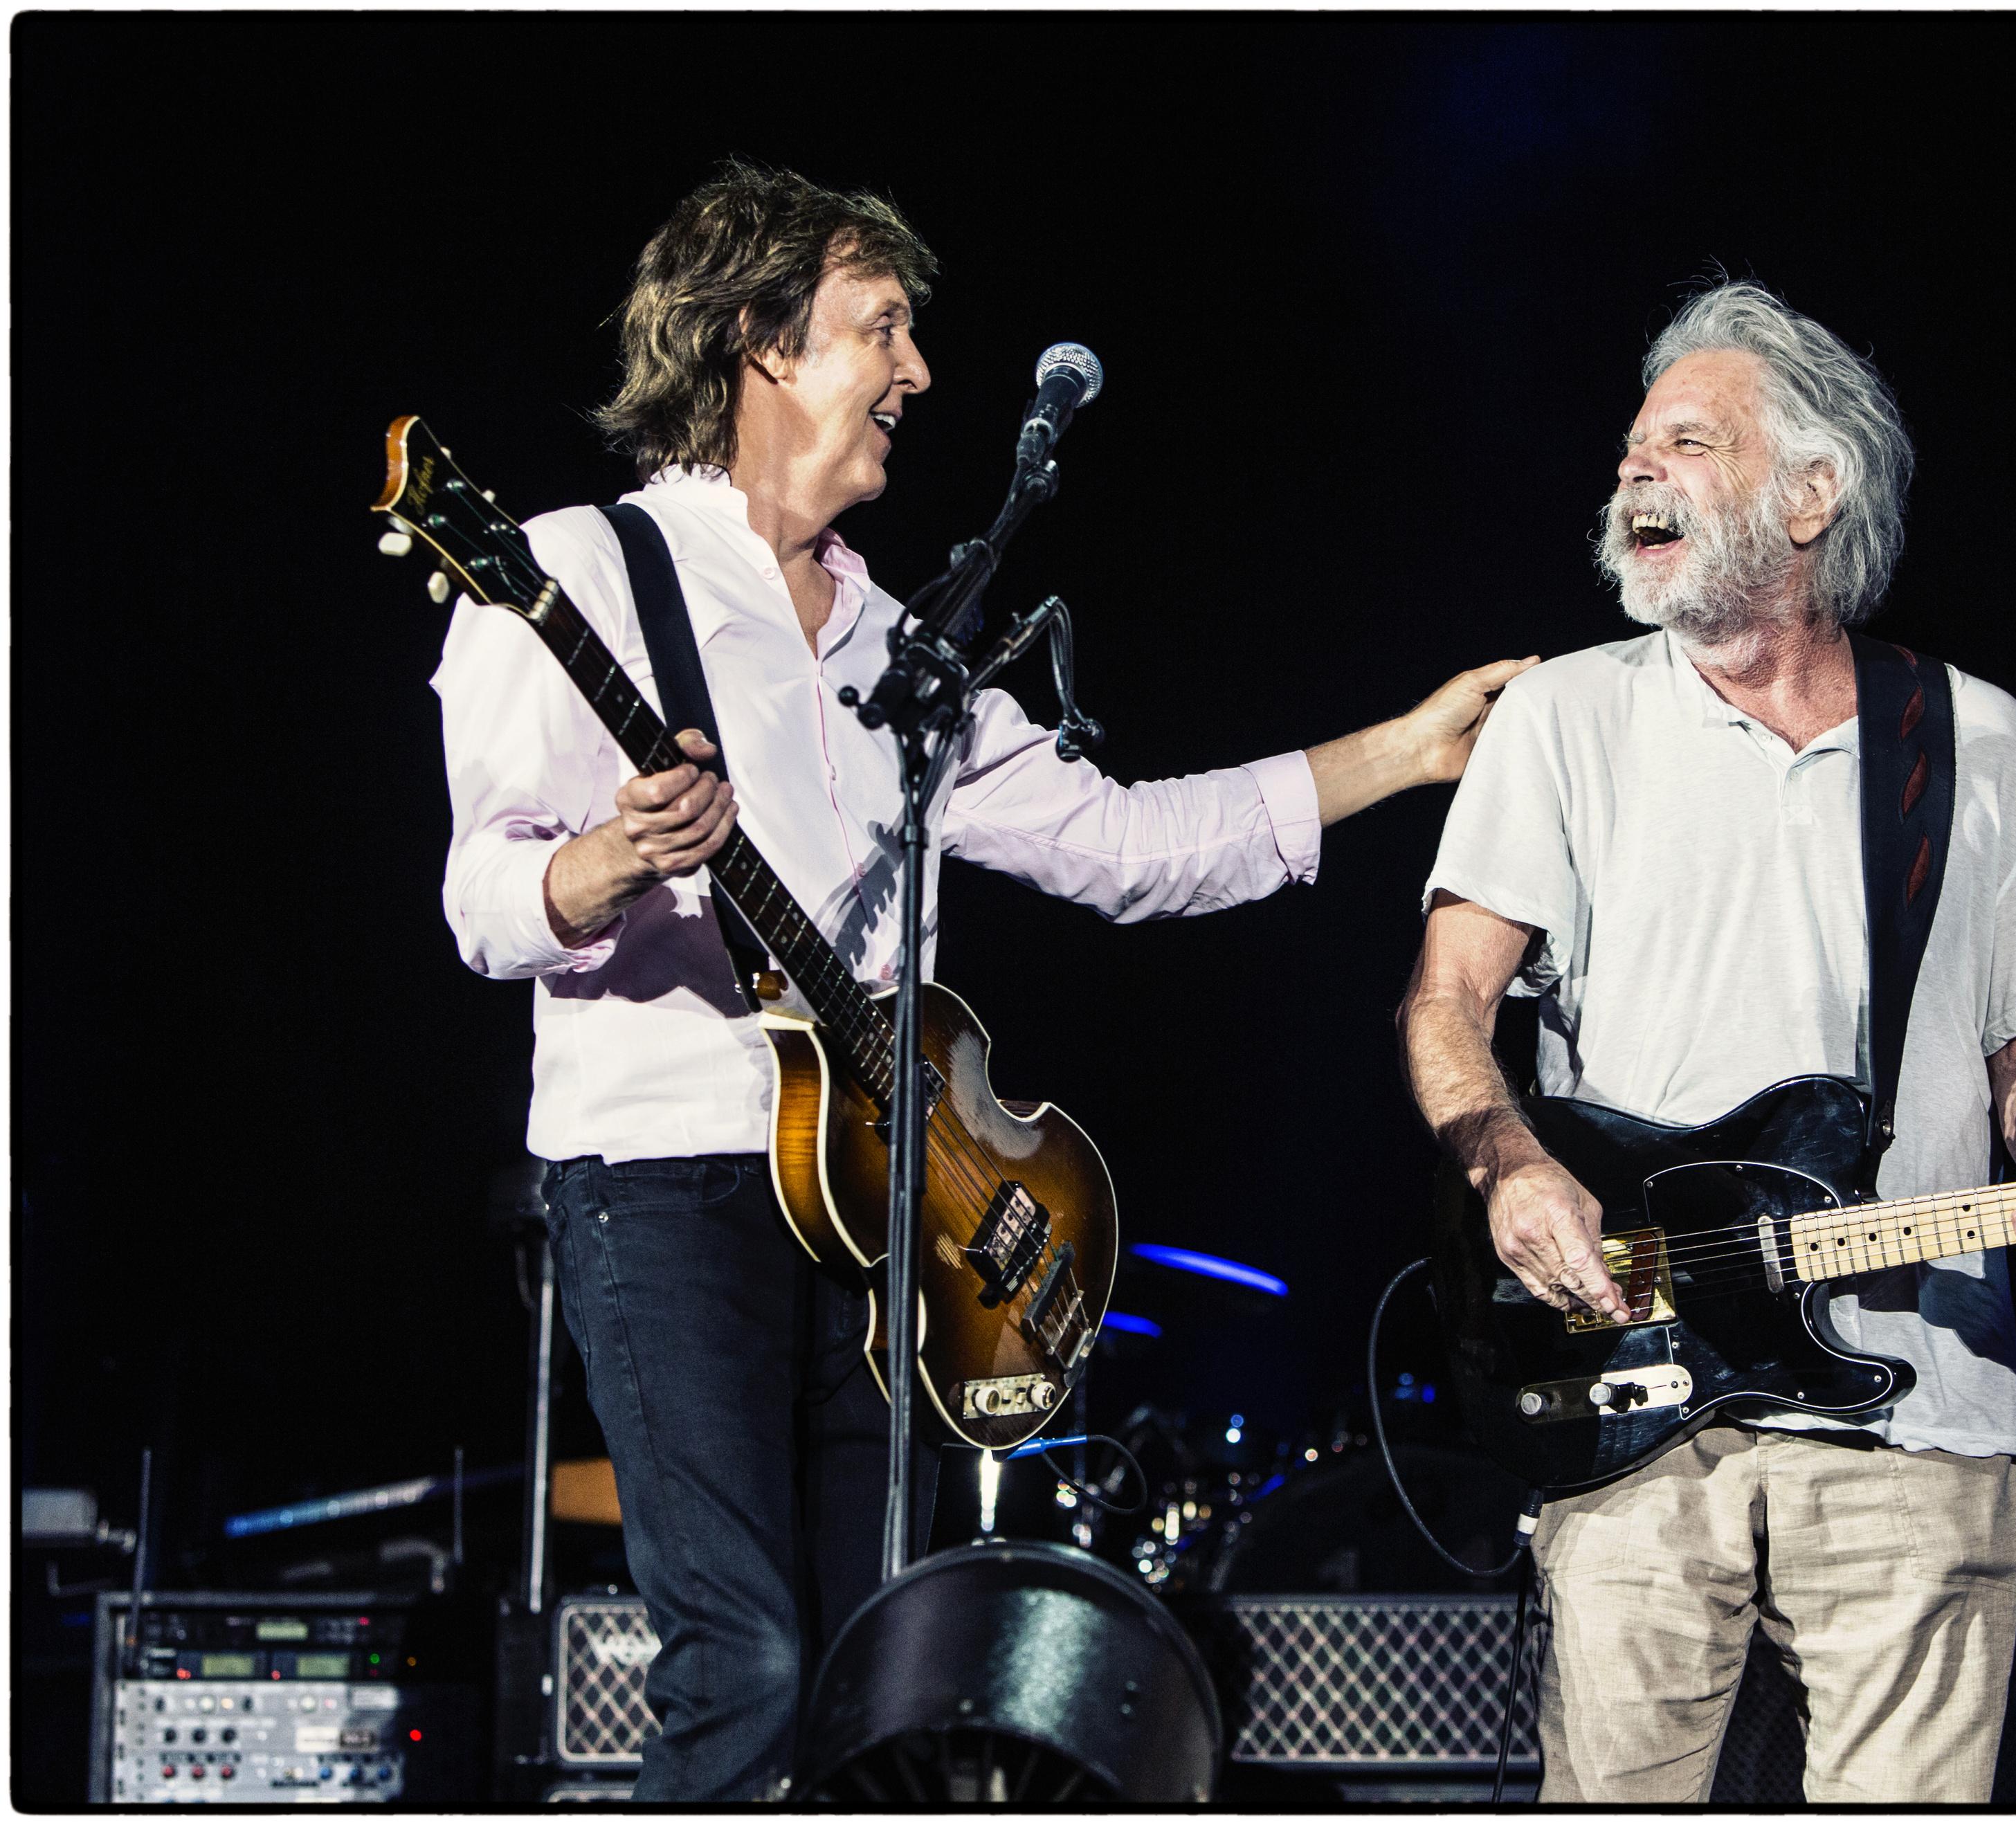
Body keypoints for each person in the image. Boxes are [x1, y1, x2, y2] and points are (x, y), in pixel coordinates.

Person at [433, 159, 1529, 1802]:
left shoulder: (899, 647)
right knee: (739, 1668)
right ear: (760, 341)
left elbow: (1129, 842)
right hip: (665, 1185)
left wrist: (1403, 752)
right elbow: (480, 893)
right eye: (883, 327)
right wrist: (605, 862)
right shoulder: (574, 572)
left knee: (878, 1669)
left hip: (890, 1210)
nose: (920, 372)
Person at [1396, 281, 2016, 1804]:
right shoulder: (1565, 720)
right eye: (1627, 452)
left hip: (1918, 1403)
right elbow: (1446, 1004)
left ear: (1813, 494)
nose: (1632, 476)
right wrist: (1509, 1165)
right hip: (1635, 1398)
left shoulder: (1977, 741)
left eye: (1686, 442)